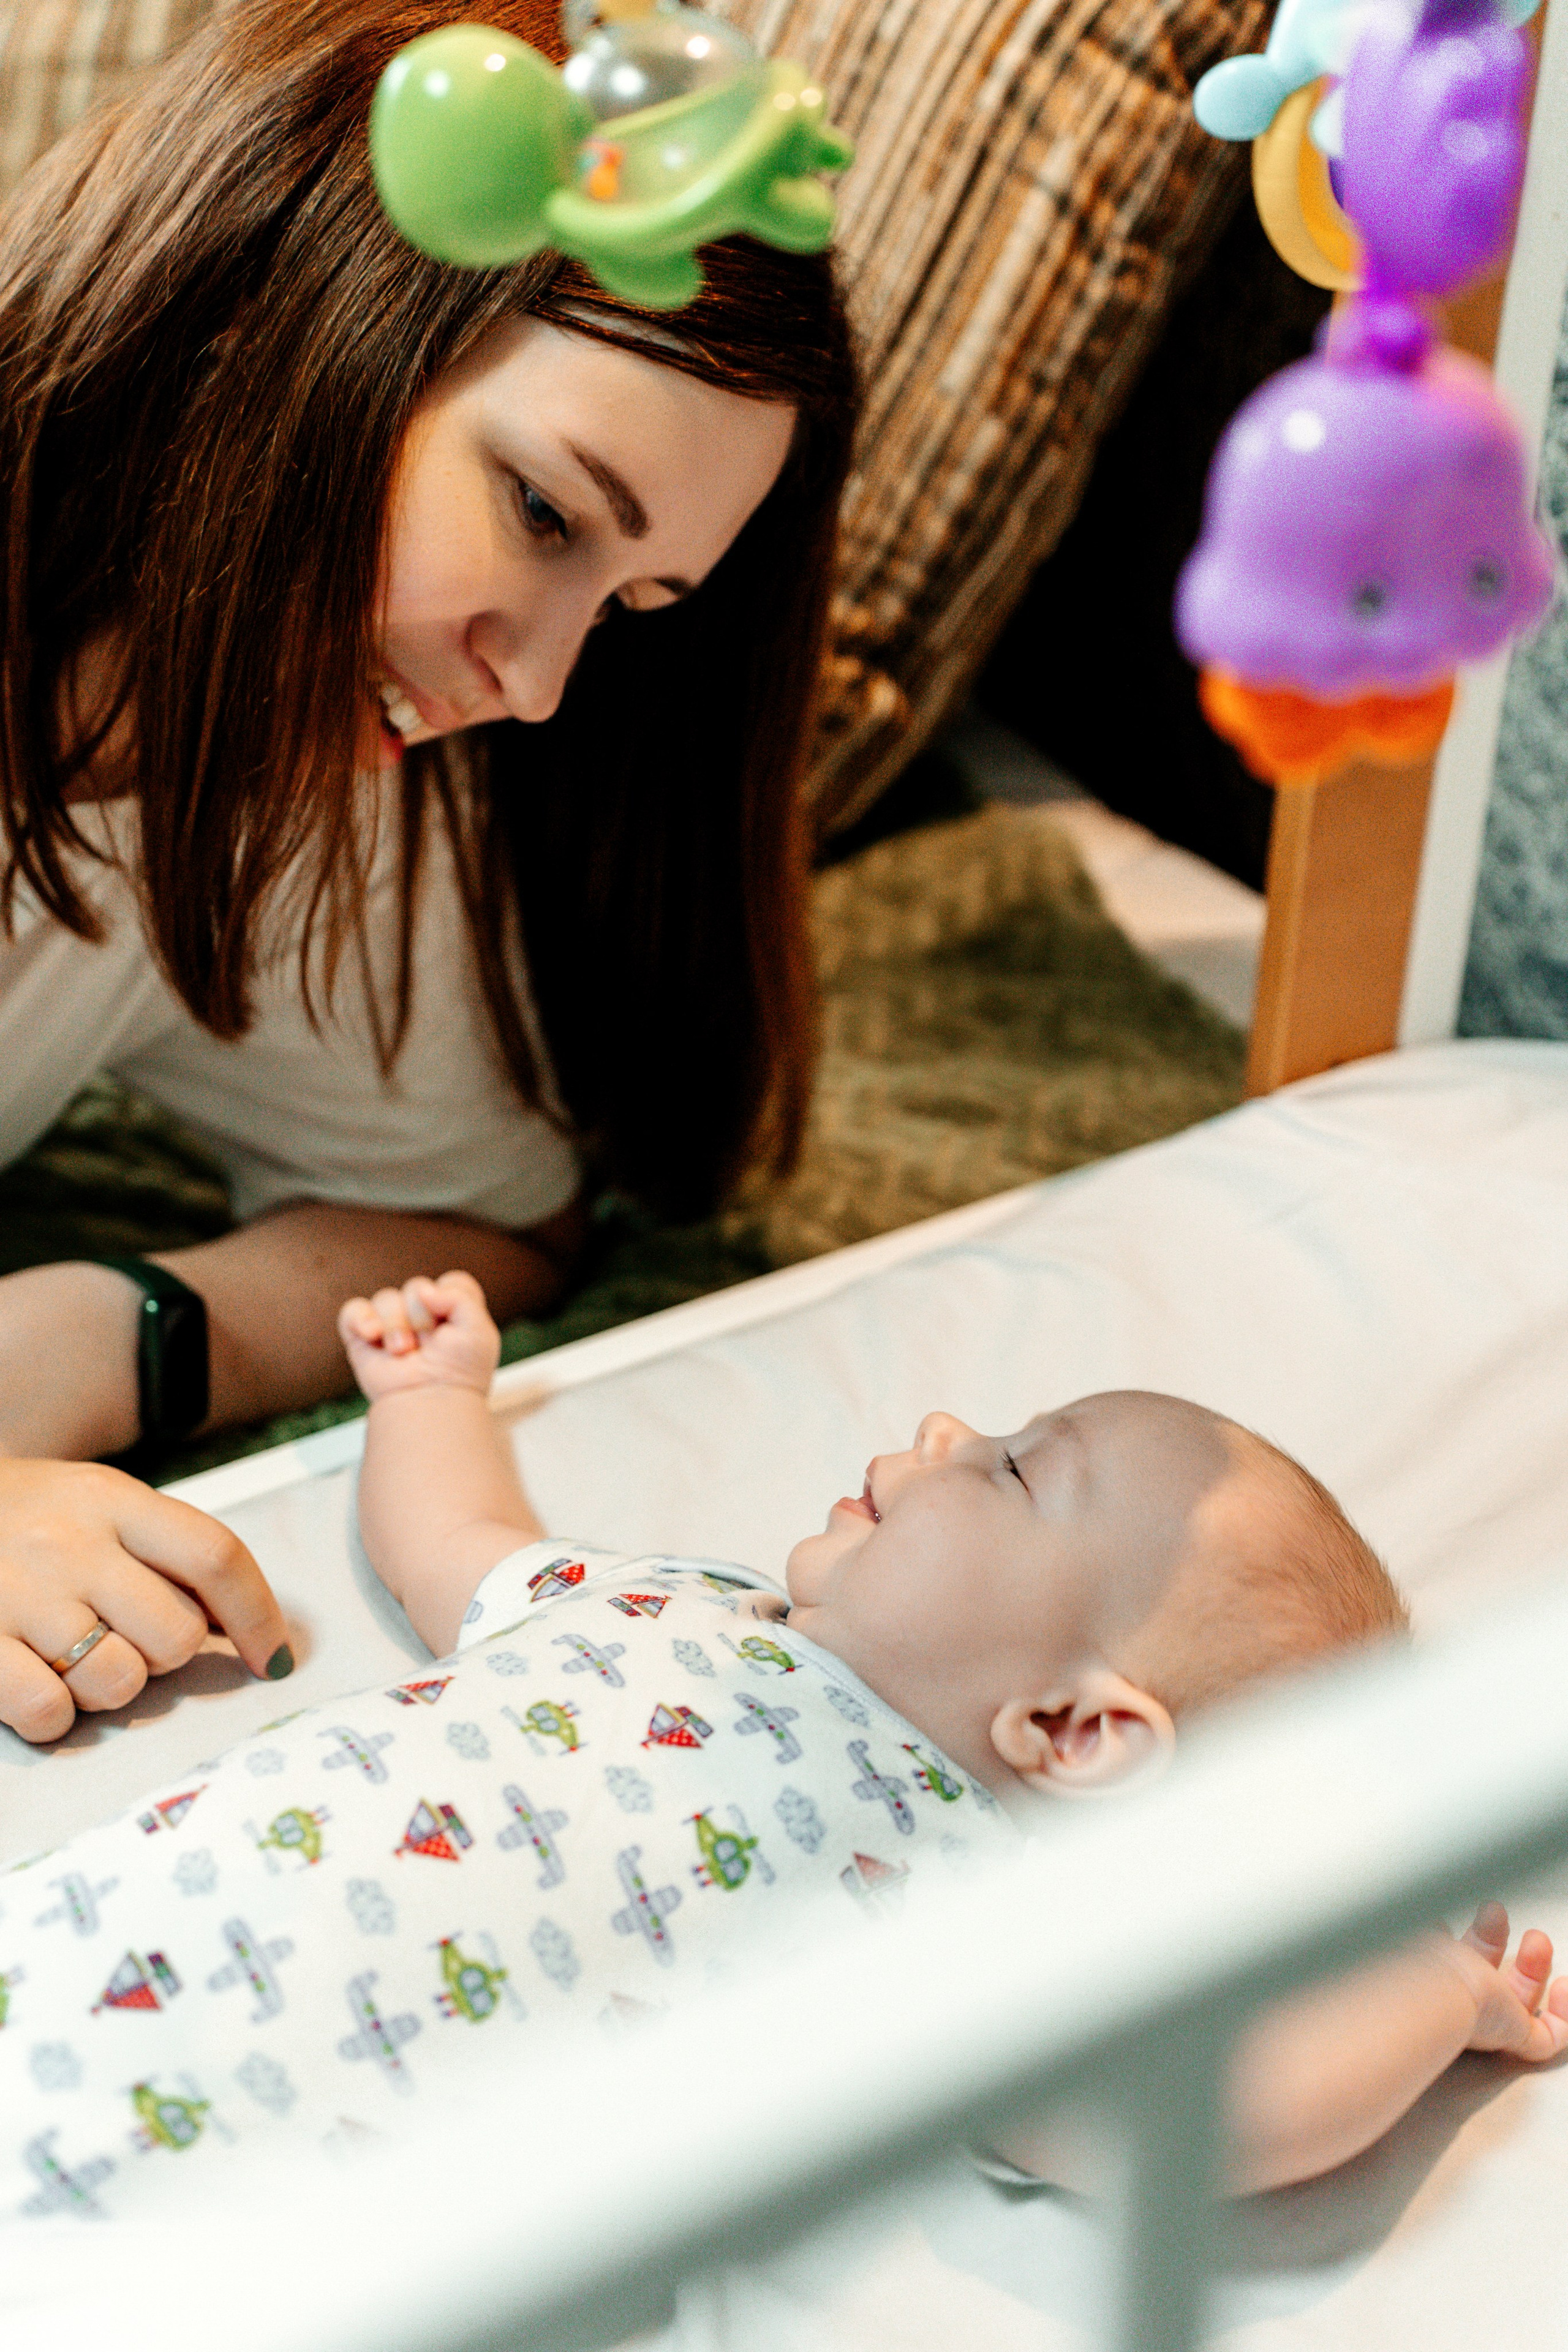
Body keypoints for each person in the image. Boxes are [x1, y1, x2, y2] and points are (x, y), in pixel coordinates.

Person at [0, 0, 858, 1742]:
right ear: (274, 312)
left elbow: (496, 1219)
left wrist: (101, 1335)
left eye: (624, 614)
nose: (532, 693)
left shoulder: (285, 789)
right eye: (544, 516)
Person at [1, 1270, 1562, 2219]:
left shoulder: (954, 1901)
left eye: (1019, 1474)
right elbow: (456, 1547)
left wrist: (1440, 1995)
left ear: (1074, 1729)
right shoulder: (676, 1600)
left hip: (224, 2189)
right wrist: (429, 1395)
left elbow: (1197, 2123)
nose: (950, 1432)